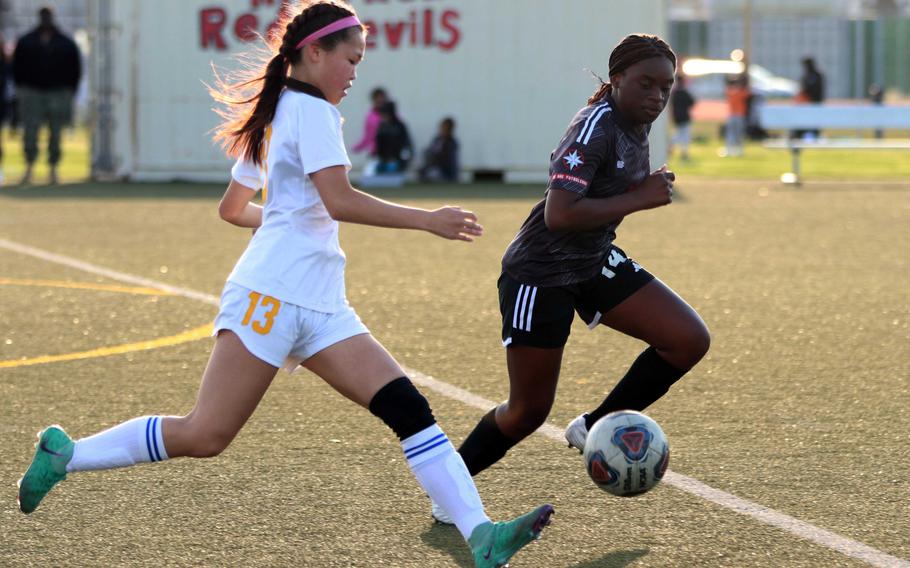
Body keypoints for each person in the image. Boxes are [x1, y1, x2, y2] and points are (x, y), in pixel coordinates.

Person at [16, 3, 553, 566]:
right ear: (313, 52)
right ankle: (66, 455)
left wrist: (283, 222)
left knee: (409, 409)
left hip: (321, 305)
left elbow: (234, 209)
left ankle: (481, 535)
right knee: (206, 434)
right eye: (350, 59)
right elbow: (339, 200)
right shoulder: (311, 112)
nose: (353, 73)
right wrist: (427, 219)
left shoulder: (277, 109)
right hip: (271, 298)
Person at [427, 34, 710, 524]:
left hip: (592, 260)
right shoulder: (593, 129)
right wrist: (639, 197)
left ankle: (594, 425)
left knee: (687, 340)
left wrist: (634, 198)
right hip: (540, 275)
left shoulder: (635, 122)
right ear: (616, 79)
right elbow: (560, 215)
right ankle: (452, 489)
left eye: (666, 87)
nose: (657, 97)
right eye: (646, 84)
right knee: (527, 411)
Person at [12, 6, 81, 185]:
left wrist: (69, 90)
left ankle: (53, 168)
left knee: (56, 132)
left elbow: (75, 69)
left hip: (58, 92)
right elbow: (17, 68)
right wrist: (23, 89)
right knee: (30, 131)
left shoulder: (65, 42)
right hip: (32, 92)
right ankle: (29, 167)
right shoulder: (27, 41)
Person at [374, 100, 412, 173]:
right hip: (384, 159)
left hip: (397, 159)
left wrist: (395, 158)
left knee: (391, 168)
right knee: (378, 168)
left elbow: (404, 144)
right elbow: (379, 145)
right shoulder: (382, 127)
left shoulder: (399, 126)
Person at [419, 116, 459, 182]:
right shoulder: (437, 140)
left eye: (445, 128)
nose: (442, 129)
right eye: (442, 127)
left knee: (433, 174)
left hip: (446, 172)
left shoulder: (452, 142)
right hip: (434, 168)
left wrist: (435, 157)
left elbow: (448, 160)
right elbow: (430, 151)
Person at [794, 56, 825, 140]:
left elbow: (816, 89)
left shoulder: (817, 75)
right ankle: (801, 135)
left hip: (815, 103)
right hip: (805, 104)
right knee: (804, 121)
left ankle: (814, 135)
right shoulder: (806, 76)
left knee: (814, 122)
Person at [351, 86, 386, 156]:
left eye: (381, 100)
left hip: (392, 154)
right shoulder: (370, 118)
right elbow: (368, 137)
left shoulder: (393, 116)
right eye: (377, 100)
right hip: (376, 153)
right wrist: (356, 148)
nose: (380, 103)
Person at [669, 73, 695, 162]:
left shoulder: (674, 92)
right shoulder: (684, 92)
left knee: (678, 134)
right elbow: (692, 102)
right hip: (684, 116)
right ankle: (683, 152)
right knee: (684, 136)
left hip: (677, 116)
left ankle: (671, 147)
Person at [723, 73, 749, 157]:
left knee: (731, 133)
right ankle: (739, 151)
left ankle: (730, 150)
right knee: (738, 133)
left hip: (733, 115)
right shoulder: (741, 92)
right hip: (738, 115)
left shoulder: (729, 91)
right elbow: (748, 93)